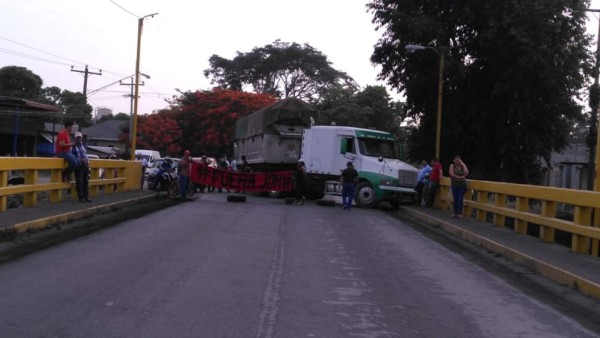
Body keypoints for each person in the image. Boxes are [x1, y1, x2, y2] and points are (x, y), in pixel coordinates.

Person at [71, 132, 91, 202]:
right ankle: (81, 197)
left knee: (86, 181)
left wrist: (87, 161)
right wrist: (79, 159)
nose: (79, 139)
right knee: (79, 181)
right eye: (78, 137)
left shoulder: (83, 146)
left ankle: (86, 196)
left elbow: (85, 154)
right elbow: (72, 156)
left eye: (80, 137)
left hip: (85, 165)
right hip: (78, 165)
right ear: (75, 138)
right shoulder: (73, 146)